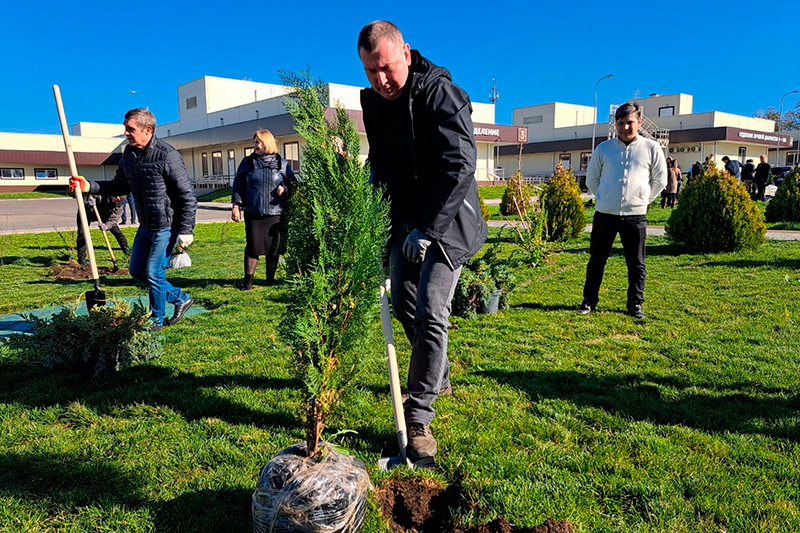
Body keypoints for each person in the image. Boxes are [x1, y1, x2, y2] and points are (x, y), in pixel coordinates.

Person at [358, 20, 487, 466]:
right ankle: (439, 374)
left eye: (388, 68)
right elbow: (380, 163)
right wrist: (373, 218)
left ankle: (419, 417)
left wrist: (430, 231)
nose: (382, 80)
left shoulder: (439, 94)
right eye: (372, 72)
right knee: (404, 305)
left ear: (406, 53)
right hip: (404, 219)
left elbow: (461, 166)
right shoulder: (373, 103)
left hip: (446, 220)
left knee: (433, 310)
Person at [70, 108, 197, 331]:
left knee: (154, 273)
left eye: (130, 129)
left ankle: (155, 320)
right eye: (125, 129)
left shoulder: (167, 156)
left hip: (167, 226)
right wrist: (88, 185)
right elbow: (119, 186)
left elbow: (186, 195)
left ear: (148, 130)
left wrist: (186, 229)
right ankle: (180, 298)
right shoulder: (128, 155)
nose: (126, 133)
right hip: (146, 225)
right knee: (137, 271)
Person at [578, 102, 667, 319]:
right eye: (620, 123)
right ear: (615, 123)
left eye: (630, 123)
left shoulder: (651, 148)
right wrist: (604, 197)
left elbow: (660, 180)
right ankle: (589, 301)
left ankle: (635, 304)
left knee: (636, 263)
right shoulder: (603, 149)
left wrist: (643, 200)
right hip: (605, 215)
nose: (625, 127)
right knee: (596, 260)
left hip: (635, 216)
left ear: (639, 122)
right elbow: (592, 179)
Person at [231, 129, 294, 290]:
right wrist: (236, 206)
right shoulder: (247, 162)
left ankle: (270, 279)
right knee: (253, 246)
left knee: (274, 246)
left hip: (277, 213)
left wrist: (285, 190)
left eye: (257, 142)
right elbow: (238, 185)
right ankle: (248, 281)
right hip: (254, 211)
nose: (255, 145)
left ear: (267, 142)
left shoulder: (283, 163)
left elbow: (293, 185)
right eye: (254, 142)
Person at [76, 193, 129, 266]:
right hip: (87, 213)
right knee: (82, 235)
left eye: (121, 198)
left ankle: (128, 254)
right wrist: (89, 204)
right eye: (116, 196)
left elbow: (114, 218)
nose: (118, 199)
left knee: (118, 233)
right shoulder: (101, 194)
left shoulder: (119, 203)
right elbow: (85, 199)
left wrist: (107, 226)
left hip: (105, 215)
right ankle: (81, 260)